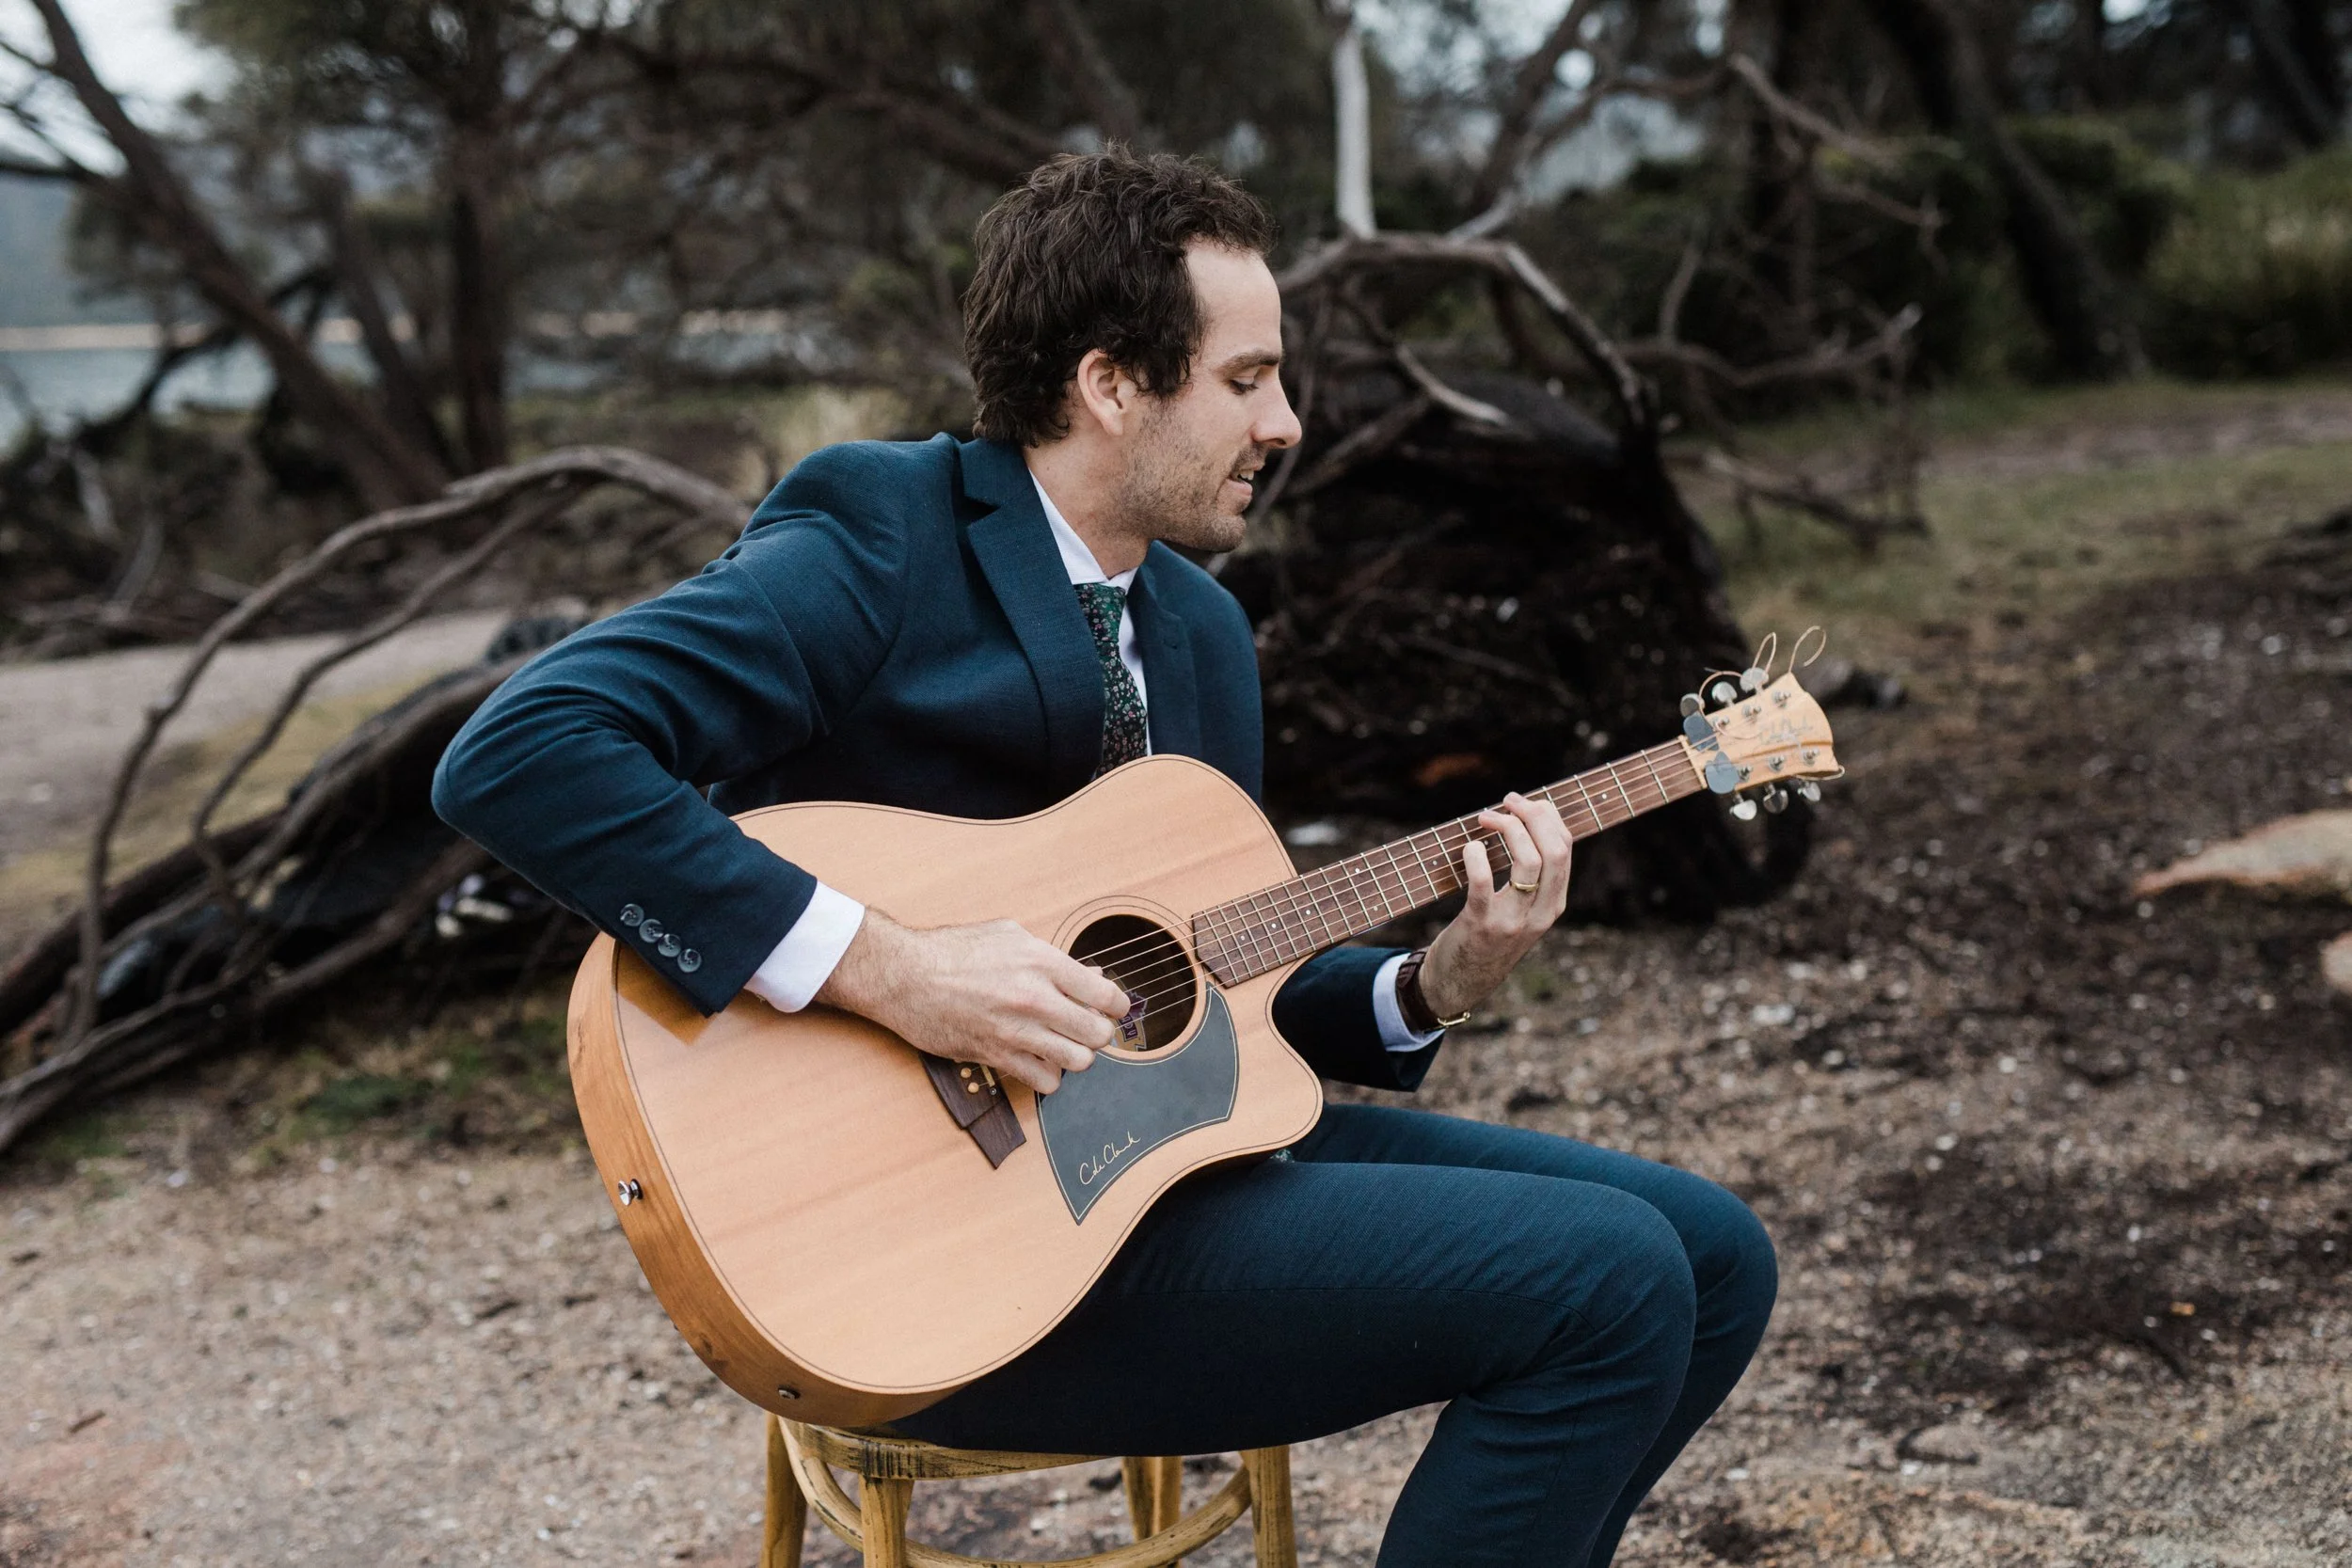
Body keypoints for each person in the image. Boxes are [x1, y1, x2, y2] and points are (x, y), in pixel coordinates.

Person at [433, 150, 1773, 1568]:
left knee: (1710, 1253)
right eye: (1248, 379)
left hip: (1179, 1165)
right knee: (1606, 1282)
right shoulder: (879, 539)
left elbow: (1225, 997)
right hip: (947, 1253)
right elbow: (522, 750)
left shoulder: (1200, 632)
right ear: (1112, 382)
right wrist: (898, 971)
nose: (1290, 422)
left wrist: (1438, 980)